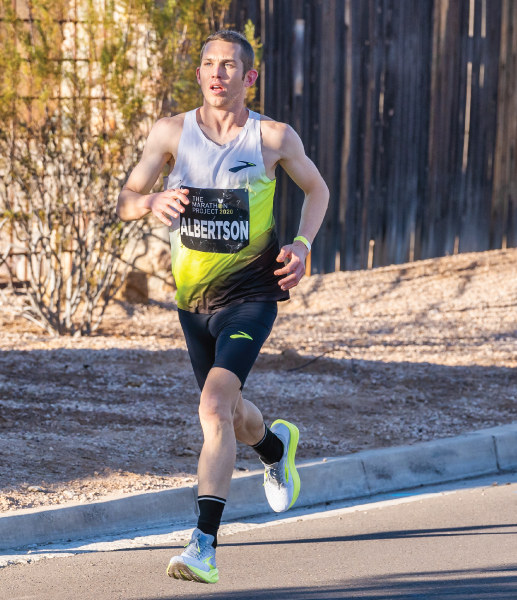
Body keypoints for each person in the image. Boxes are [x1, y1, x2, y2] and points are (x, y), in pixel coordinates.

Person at [116, 29, 329, 584]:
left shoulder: (273, 138)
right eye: (209, 64)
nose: (217, 74)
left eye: (230, 66)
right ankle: (275, 447)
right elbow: (125, 201)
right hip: (194, 304)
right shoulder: (171, 133)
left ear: (249, 77)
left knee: (212, 407)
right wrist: (153, 200)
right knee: (230, 414)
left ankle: (203, 546)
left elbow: (318, 190)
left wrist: (302, 246)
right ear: (199, 75)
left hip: (253, 295)